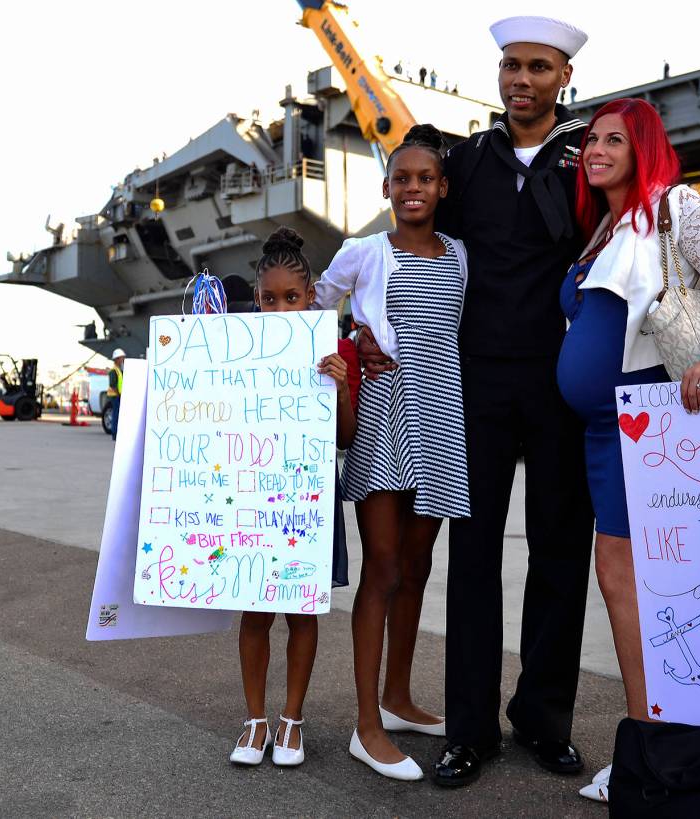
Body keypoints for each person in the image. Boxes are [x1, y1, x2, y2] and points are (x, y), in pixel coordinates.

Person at [357, 16, 594, 787]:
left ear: (563, 77)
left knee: (561, 550)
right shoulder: (468, 161)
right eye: (508, 66)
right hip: (477, 382)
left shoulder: (586, 159)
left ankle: (543, 718)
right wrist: (362, 326)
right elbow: (414, 246)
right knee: (473, 554)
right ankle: (469, 730)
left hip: (562, 378)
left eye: (536, 67)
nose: (519, 79)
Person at [562, 98, 700, 802]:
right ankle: (654, 744)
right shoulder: (605, 229)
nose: (596, 149)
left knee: (649, 589)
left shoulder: (675, 205)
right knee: (630, 589)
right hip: (602, 432)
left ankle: (662, 750)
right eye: (591, 140)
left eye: (614, 139)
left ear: (643, 147)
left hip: (650, 428)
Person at [314, 124, 470, 782]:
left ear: (442, 188)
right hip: (383, 414)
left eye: (424, 178)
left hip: (442, 421)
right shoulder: (363, 252)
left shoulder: (463, 254)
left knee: (418, 563)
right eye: (401, 179)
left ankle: (399, 697)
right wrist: (348, 339)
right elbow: (311, 307)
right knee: (381, 569)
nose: (413, 188)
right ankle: (365, 725)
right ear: (387, 188)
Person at [230, 227, 359, 768]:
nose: (280, 308)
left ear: (312, 299)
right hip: (253, 500)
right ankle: (255, 720)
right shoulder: (235, 353)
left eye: (292, 297)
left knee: (301, 614)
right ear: (256, 300)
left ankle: (292, 721)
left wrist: (343, 386)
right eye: (268, 298)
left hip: (306, 499)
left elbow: (346, 438)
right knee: (255, 612)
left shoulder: (330, 352)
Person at [107, 349, 125, 441]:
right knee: (116, 415)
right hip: (115, 396)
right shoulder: (114, 371)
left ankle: (117, 433)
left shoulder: (118, 370)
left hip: (118, 395)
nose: (123, 360)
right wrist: (119, 394)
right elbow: (113, 385)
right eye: (122, 358)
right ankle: (115, 434)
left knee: (118, 415)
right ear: (117, 359)